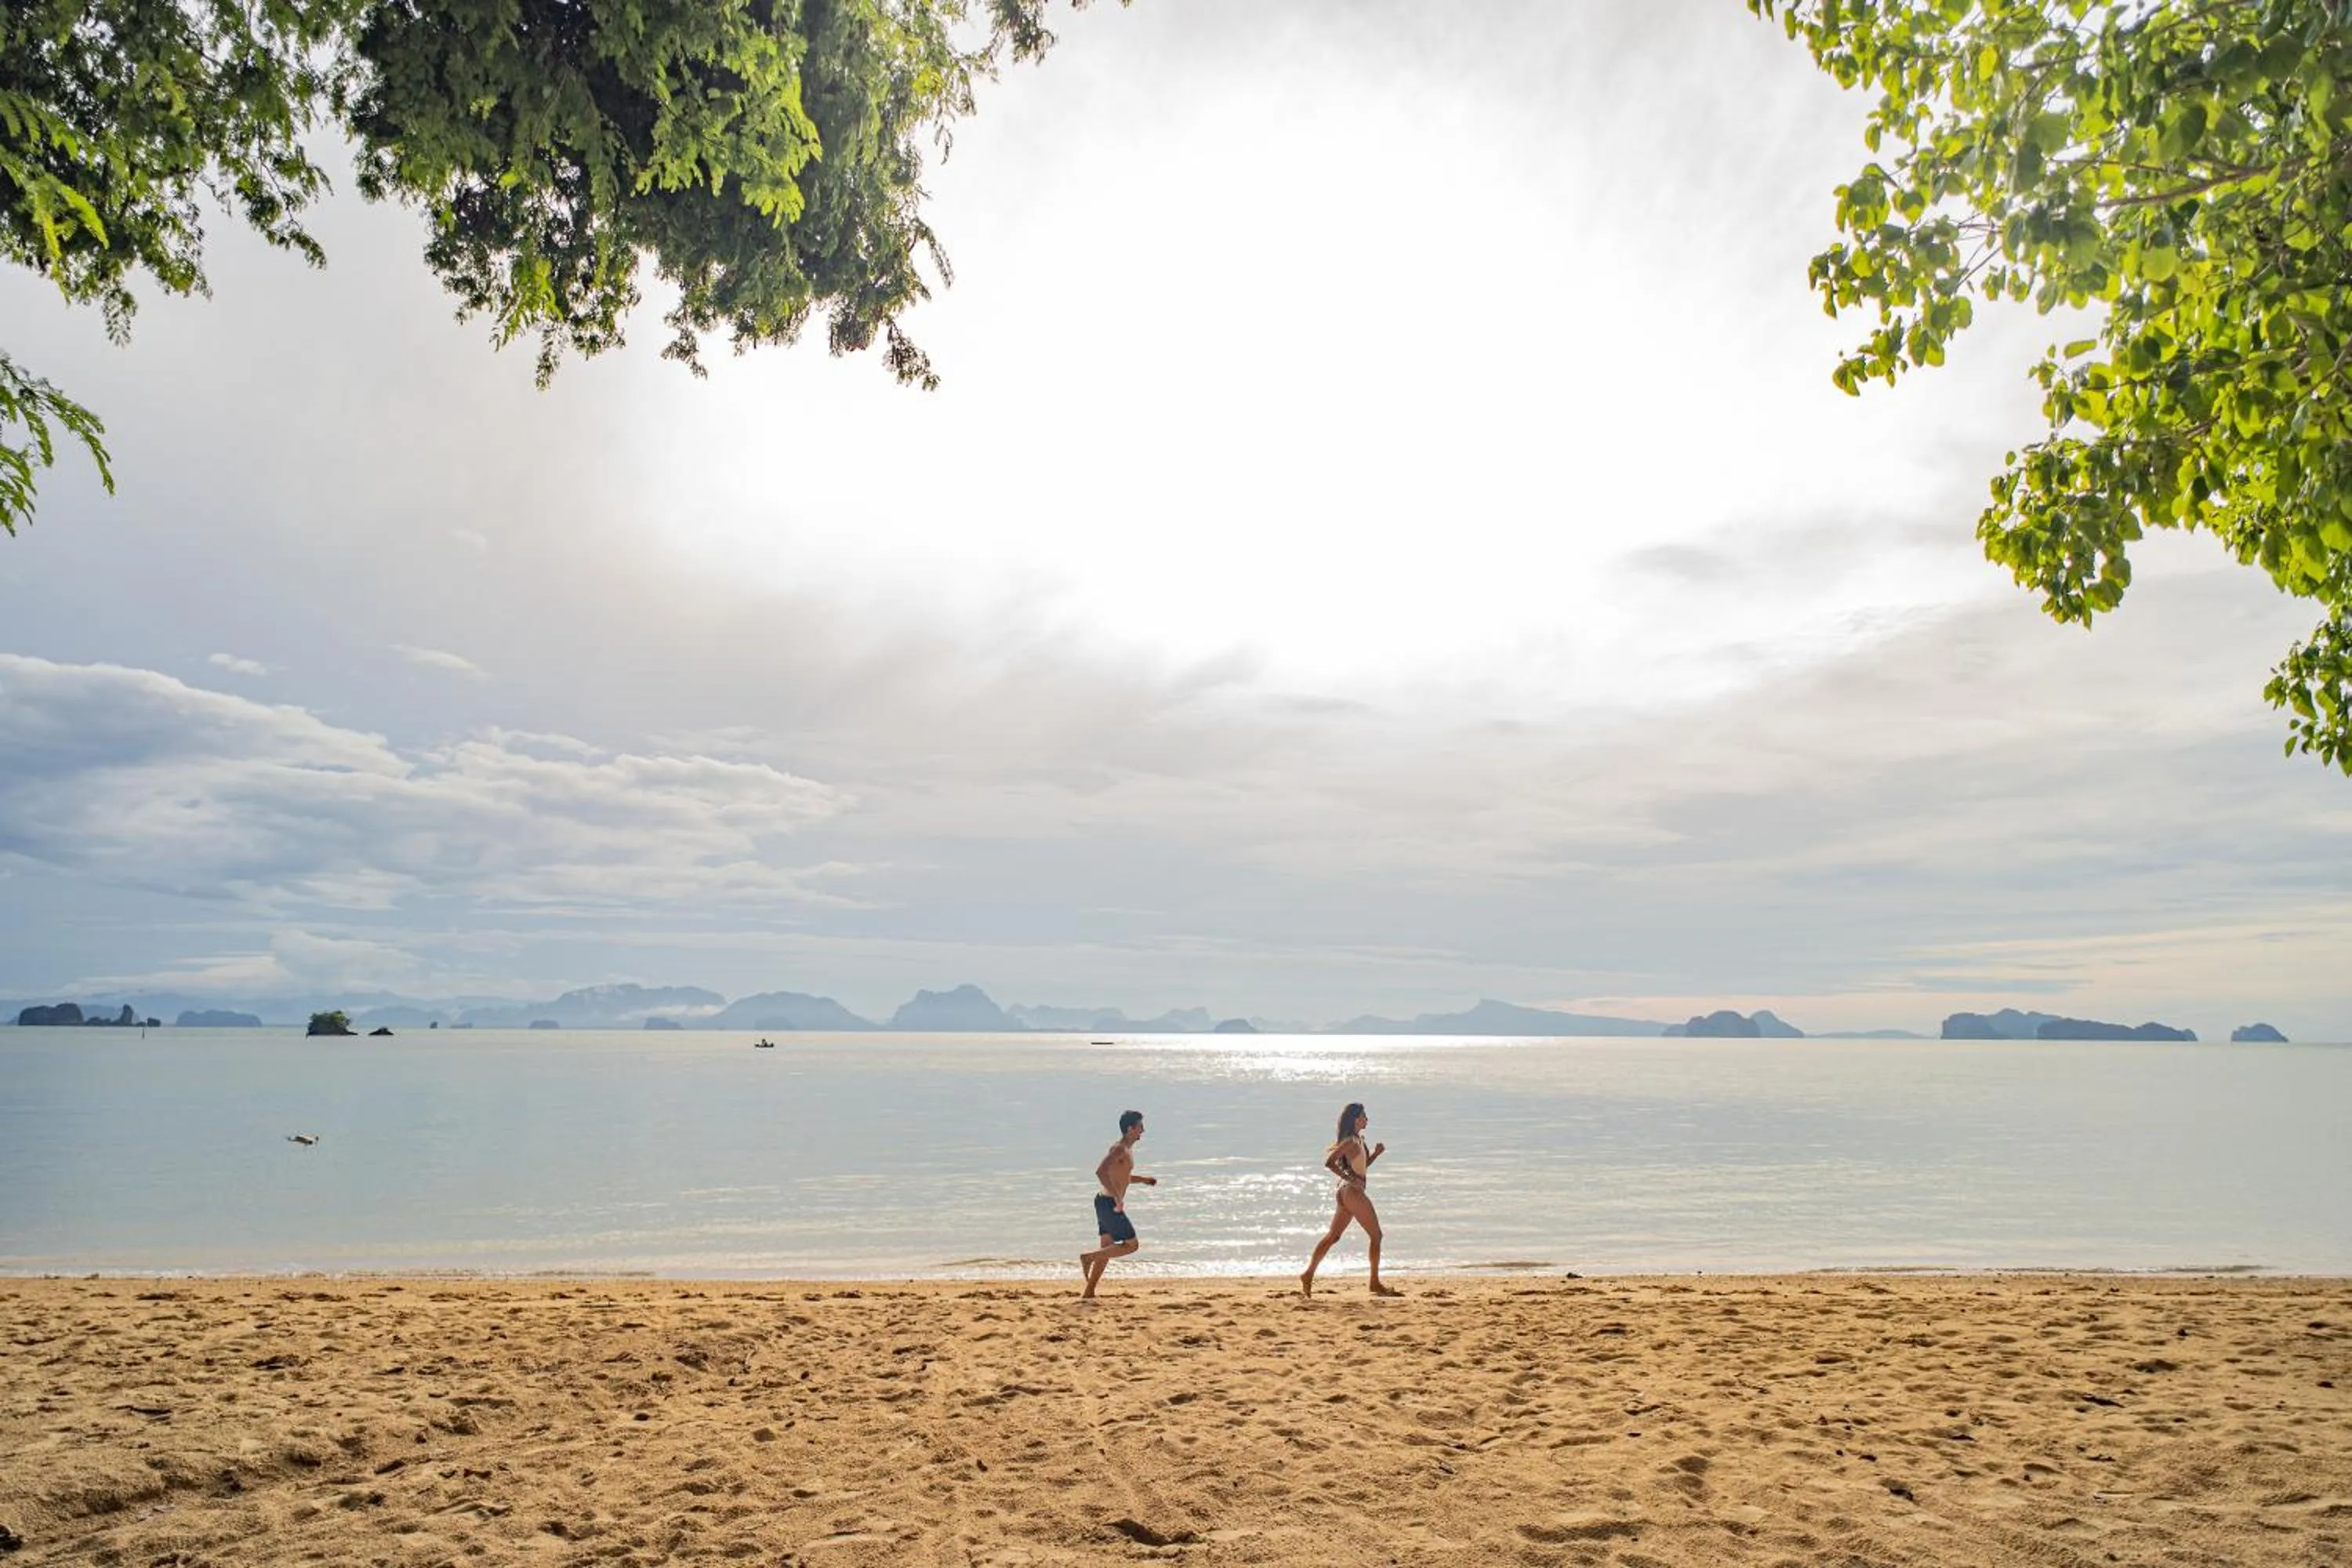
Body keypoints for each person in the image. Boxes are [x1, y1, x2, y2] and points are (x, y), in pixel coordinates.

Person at [1300, 1101, 1398, 1298]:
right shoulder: (1351, 1142)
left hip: (1346, 1193)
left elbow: (1361, 1167)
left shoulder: (1359, 1141)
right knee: (1376, 1235)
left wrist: (1376, 1155)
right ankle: (1374, 1283)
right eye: (1363, 1116)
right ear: (1355, 1119)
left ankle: (1308, 1274)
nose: (1366, 1119)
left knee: (1333, 1237)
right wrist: (1351, 1179)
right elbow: (1329, 1163)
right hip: (1352, 1193)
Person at [1080, 1109, 1156, 1298]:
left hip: (1103, 1201)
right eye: (1140, 1127)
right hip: (1109, 1203)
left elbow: (1121, 1177)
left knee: (1107, 1249)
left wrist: (1144, 1180)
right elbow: (1101, 1171)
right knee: (1132, 1245)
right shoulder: (1119, 1149)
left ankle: (1089, 1292)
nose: (1143, 1130)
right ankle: (1088, 1257)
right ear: (1130, 1129)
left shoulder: (1127, 1150)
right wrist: (1117, 1197)